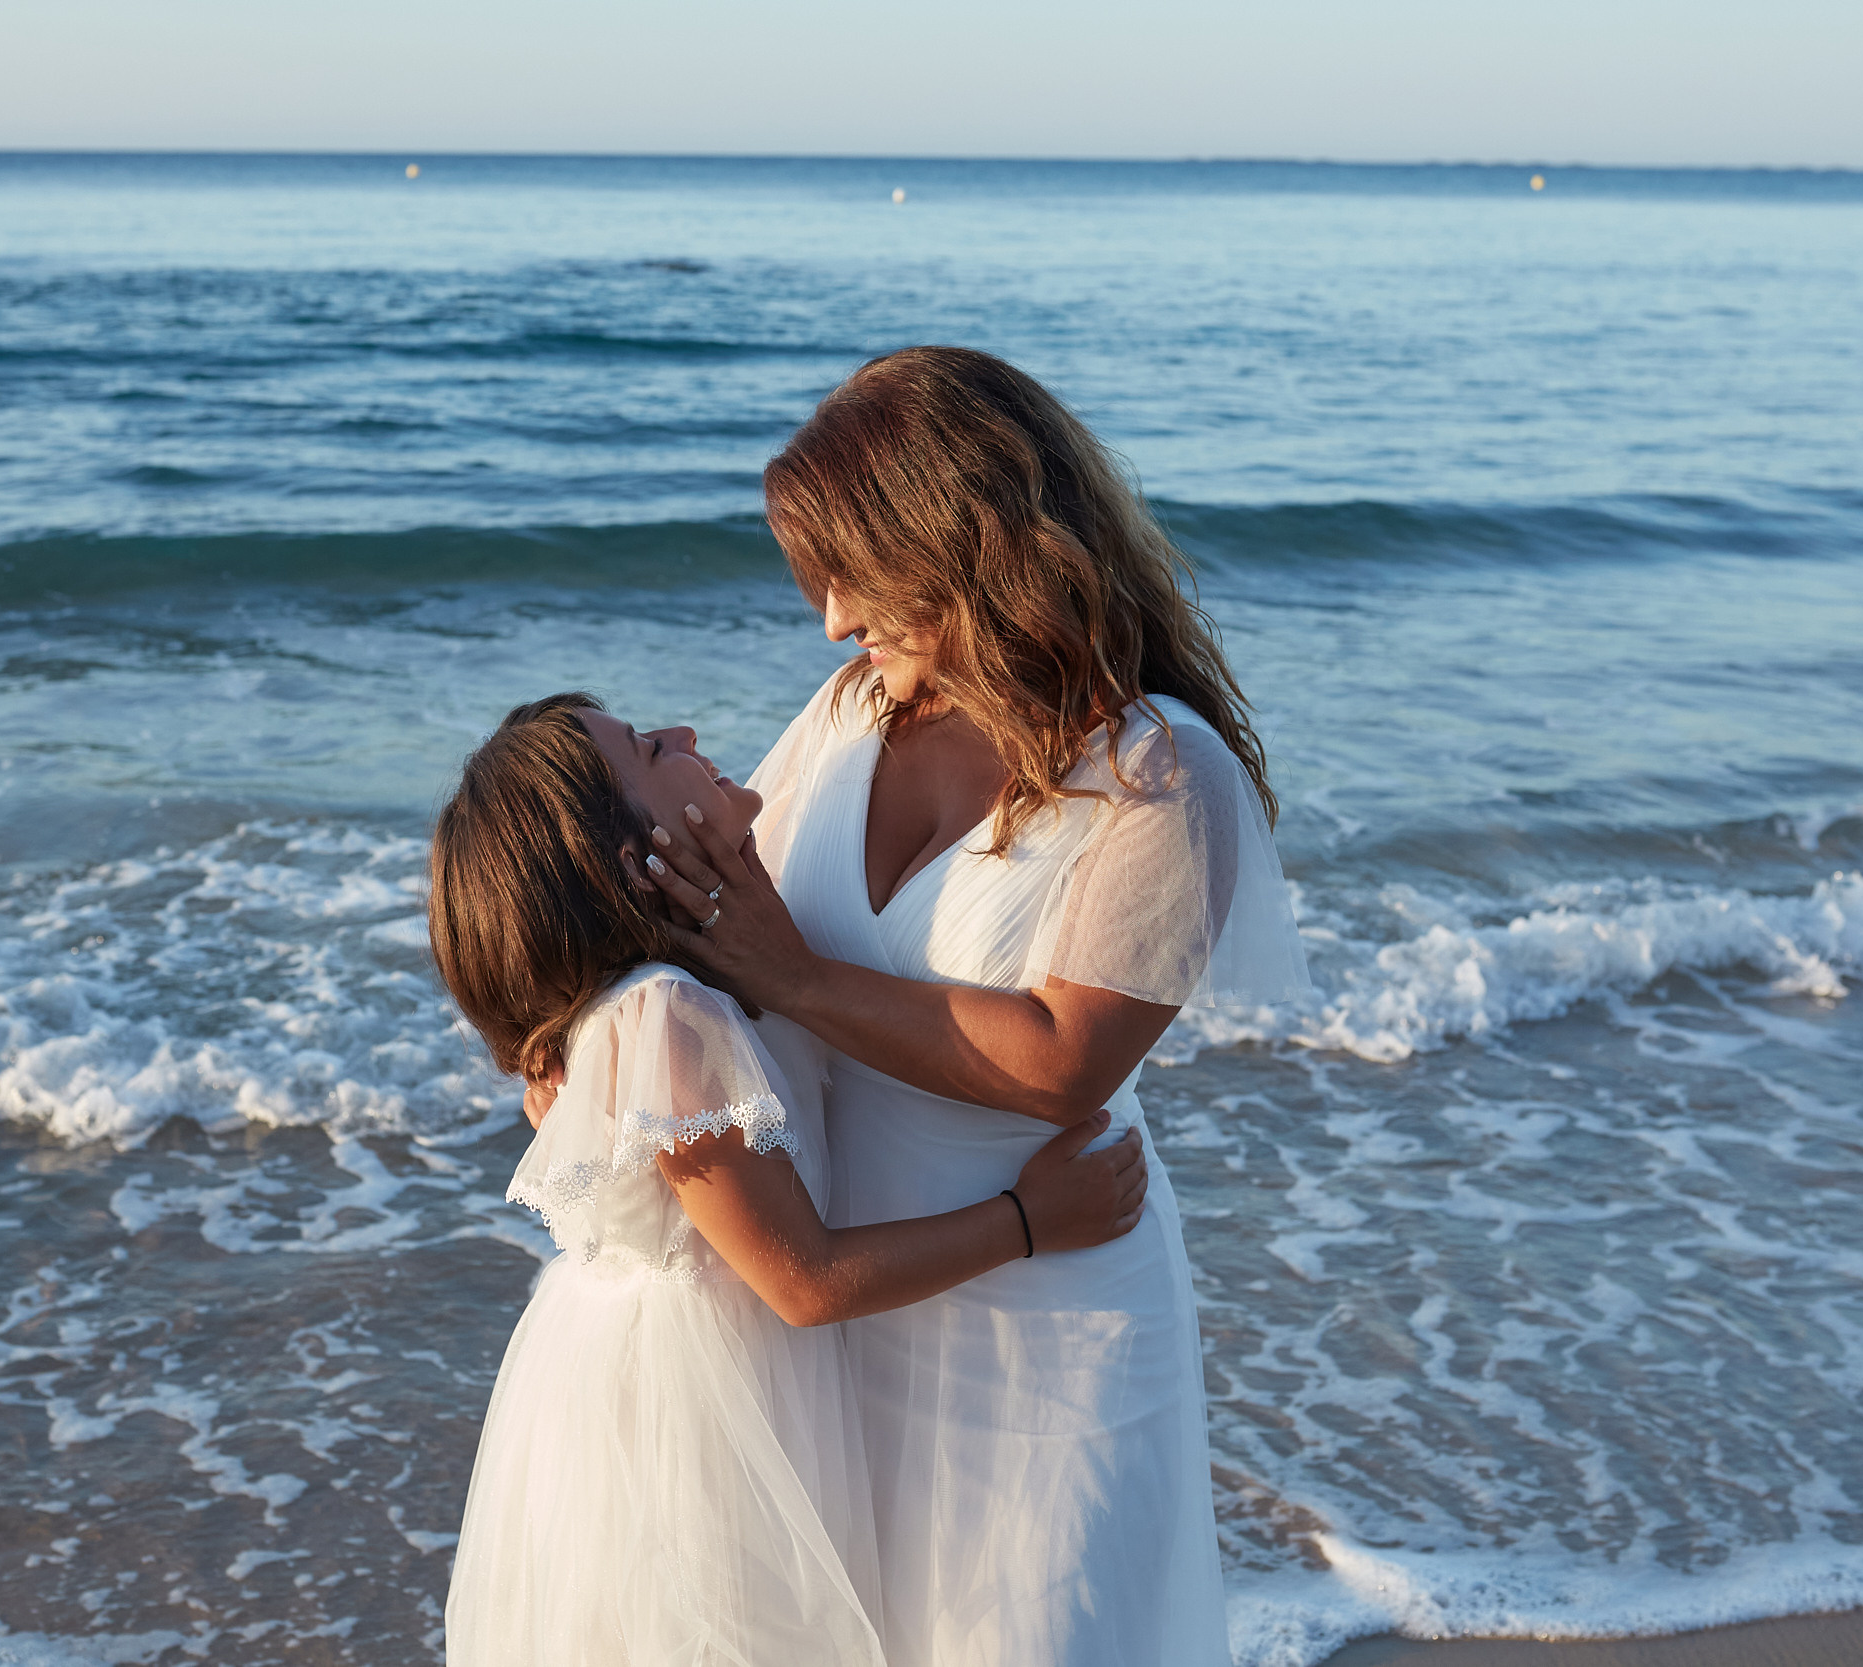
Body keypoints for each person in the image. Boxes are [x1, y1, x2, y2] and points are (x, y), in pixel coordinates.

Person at [641, 347, 1311, 1667]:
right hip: (853, 1296)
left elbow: (1064, 1057)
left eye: (855, 571)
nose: (831, 619)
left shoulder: (1155, 774)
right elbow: (708, 916)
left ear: (972, 538)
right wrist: (558, 1030)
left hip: (1057, 1310)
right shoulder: (848, 715)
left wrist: (799, 977)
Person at [429, 691, 1153, 1667]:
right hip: (695, 1426)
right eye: (651, 747)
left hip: (706, 1386)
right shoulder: (665, 1018)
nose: (685, 732)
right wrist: (1027, 1218)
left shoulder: (689, 989)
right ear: (635, 857)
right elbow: (800, 1280)